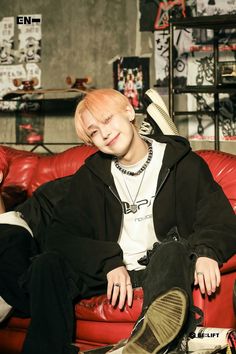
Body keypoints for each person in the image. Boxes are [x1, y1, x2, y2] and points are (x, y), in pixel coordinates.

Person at [1, 88, 236, 354]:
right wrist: (109, 262)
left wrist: (207, 252)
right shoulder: (90, 176)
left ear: (128, 111)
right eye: (93, 132)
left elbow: (217, 216)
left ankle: (148, 337)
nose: (104, 133)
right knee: (47, 263)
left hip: (159, 270)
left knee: (173, 248)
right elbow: (61, 235)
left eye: (107, 120)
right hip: (112, 274)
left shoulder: (182, 164)